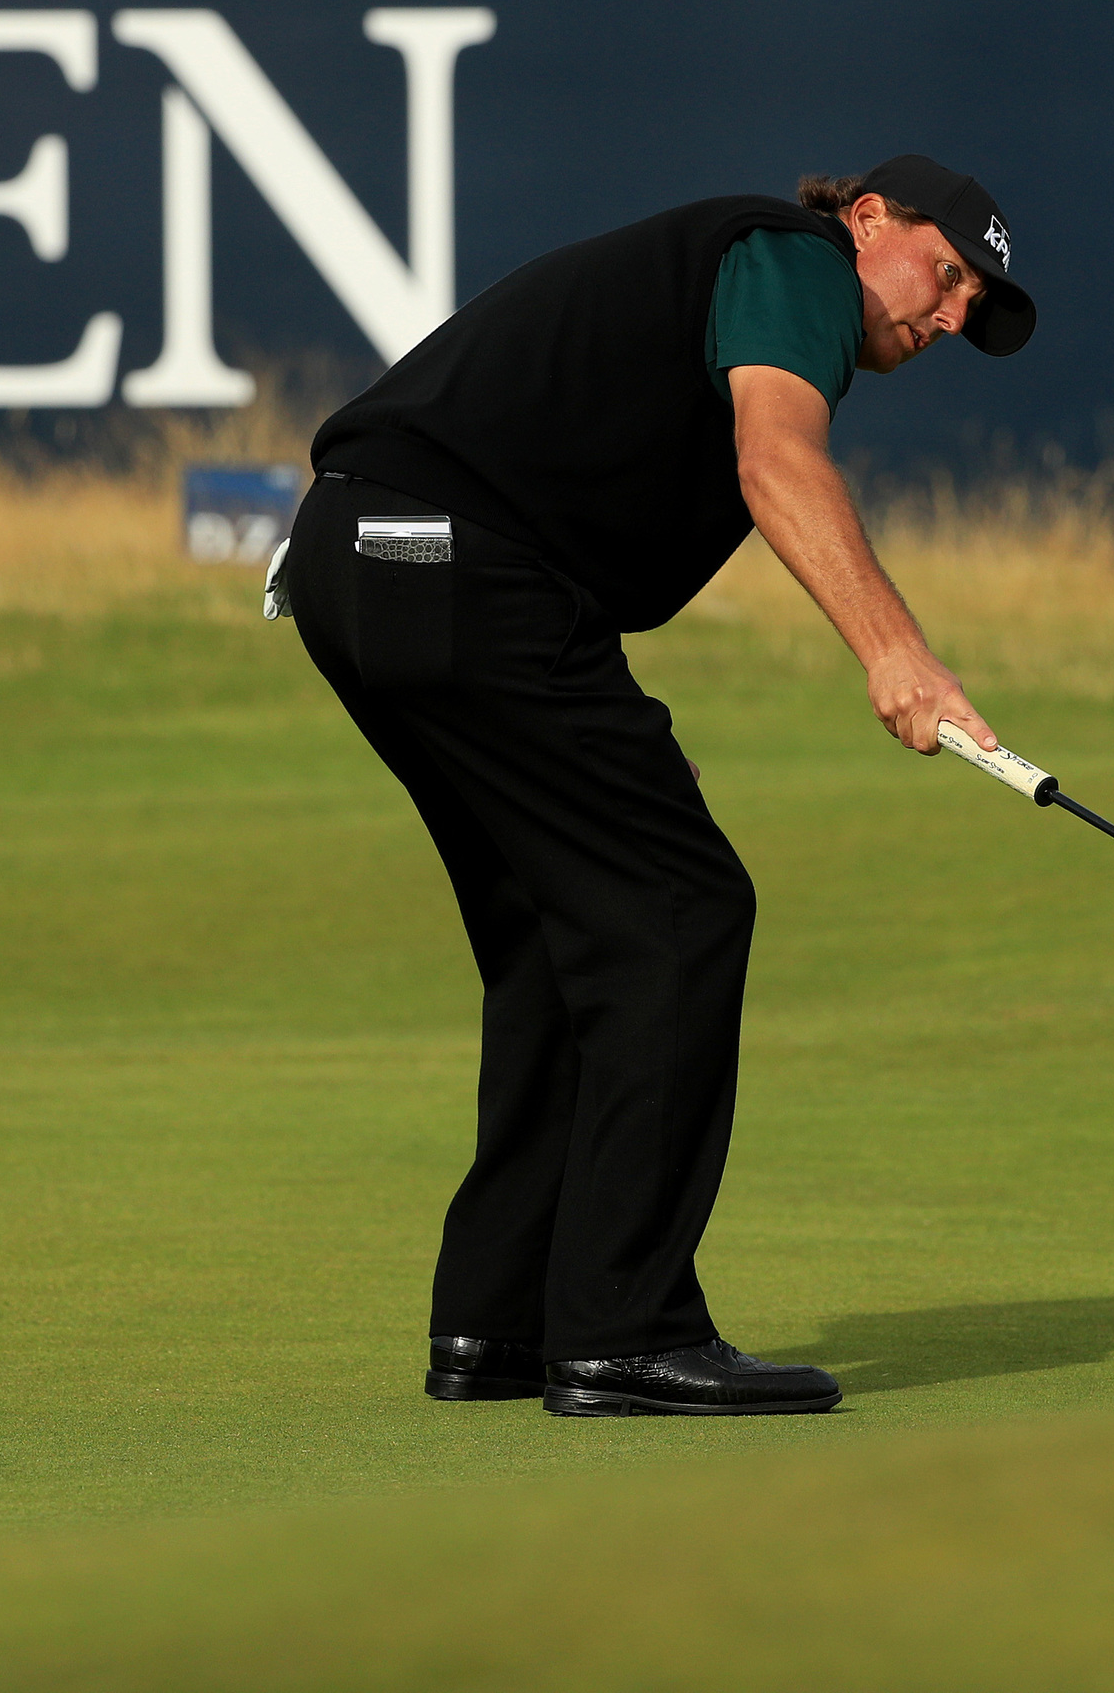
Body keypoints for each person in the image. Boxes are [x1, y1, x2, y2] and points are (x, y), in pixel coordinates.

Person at [275, 155, 1036, 1417]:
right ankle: (623, 1328)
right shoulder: (793, 266)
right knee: (680, 908)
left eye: (970, 307)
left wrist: (611, 722)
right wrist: (896, 652)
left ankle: (499, 1323)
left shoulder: (744, 279)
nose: (948, 314)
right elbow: (776, 463)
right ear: (866, 222)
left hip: (368, 562)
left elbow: (547, 499)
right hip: (454, 571)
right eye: (945, 273)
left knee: (555, 932)